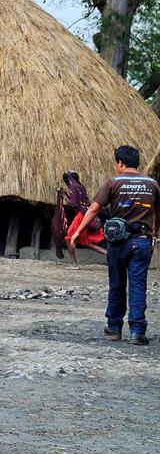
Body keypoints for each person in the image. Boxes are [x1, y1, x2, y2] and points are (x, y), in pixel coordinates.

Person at [69, 145, 159, 346]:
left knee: (117, 285)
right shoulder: (152, 184)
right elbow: (157, 213)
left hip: (118, 243)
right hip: (142, 241)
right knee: (138, 287)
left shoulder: (113, 183)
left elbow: (93, 209)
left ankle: (114, 328)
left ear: (120, 163)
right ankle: (137, 332)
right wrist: (154, 233)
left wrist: (77, 232)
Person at [55, 171, 105, 268]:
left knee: (69, 238)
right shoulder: (80, 186)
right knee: (85, 241)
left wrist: (64, 196)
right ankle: (108, 254)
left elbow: (74, 205)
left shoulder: (73, 187)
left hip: (81, 215)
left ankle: (74, 264)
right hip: (87, 214)